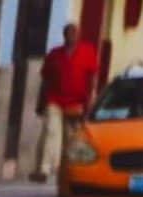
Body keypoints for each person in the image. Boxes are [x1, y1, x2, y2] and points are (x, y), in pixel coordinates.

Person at [31, 23, 101, 180]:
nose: (72, 35)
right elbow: (46, 80)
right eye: (69, 33)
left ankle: (67, 170)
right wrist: (40, 102)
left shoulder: (87, 52)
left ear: (79, 35)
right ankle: (46, 169)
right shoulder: (54, 54)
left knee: (71, 137)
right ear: (64, 35)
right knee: (51, 132)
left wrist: (89, 101)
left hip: (76, 102)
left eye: (75, 32)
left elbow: (92, 79)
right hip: (54, 99)